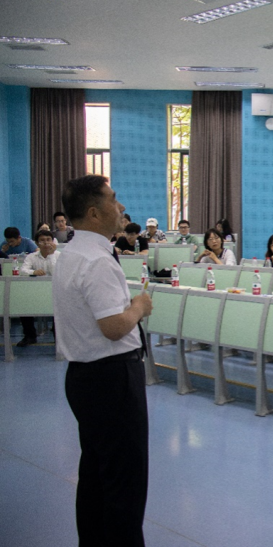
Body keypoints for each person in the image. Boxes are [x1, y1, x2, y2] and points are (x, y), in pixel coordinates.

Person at [53, 174, 153, 546]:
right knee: (125, 483)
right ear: (94, 212)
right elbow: (113, 327)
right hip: (113, 379)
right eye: (113, 199)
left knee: (96, 475)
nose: (121, 206)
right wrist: (139, 307)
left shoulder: (72, 253)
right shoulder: (96, 260)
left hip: (85, 377)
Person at [16, 229, 61, 347]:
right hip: (36, 292)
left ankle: (58, 337)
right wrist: (33, 272)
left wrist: (51, 255)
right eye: (42, 240)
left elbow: (56, 273)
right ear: (36, 243)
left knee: (61, 308)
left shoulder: (59, 255)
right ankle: (30, 336)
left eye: (48, 240)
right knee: (23, 305)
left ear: (53, 242)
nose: (46, 243)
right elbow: (23, 270)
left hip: (55, 292)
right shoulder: (31, 257)